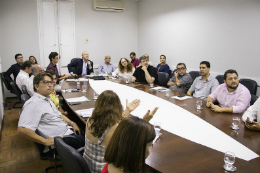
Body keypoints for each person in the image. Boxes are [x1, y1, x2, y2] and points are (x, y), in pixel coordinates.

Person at [83, 90, 158, 173]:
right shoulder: (115, 128)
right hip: (103, 169)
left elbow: (117, 123)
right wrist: (145, 121)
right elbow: (135, 141)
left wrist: (128, 110)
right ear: (118, 106)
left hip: (86, 165)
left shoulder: (90, 119)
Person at [17, 72, 84, 151]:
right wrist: (44, 141)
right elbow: (22, 129)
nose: (50, 85)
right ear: (36, 86)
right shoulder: (34, 103)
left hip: (66, 131)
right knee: (89, 139)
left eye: (51, 82)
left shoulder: (46, 99)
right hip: (59, 140)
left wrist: (72, 123)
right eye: (46, 82)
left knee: (84, 129)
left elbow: (58, 115)